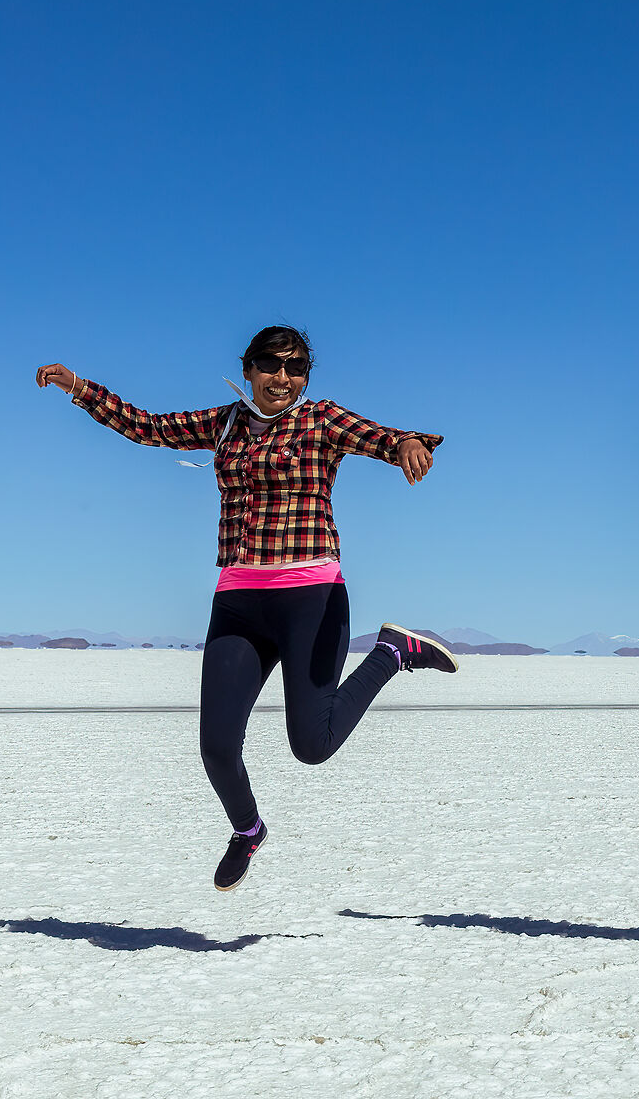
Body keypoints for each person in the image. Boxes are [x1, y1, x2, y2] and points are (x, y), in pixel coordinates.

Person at [35, 325, 454, 891]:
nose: (283, 377)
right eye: (271, 365)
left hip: (312, 598)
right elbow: (147, 428)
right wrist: (80, 387)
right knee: (215, 748)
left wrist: (408, 443)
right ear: (249, 369)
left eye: (296, 366)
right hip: (238, 602)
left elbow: (379, 437)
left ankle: (390, 652)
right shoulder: (225, 423)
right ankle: (248, 830)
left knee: (312, 746)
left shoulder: (322, 420)